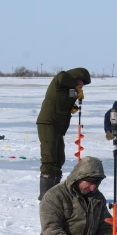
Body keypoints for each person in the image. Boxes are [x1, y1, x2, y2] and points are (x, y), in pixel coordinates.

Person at [36, 67, 91, 200]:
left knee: (59, 158)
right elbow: (61, 76)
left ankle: (54, 191)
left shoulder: (68, 90)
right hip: (48, 123)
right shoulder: (60, 81)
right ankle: (45, 195)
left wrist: (72, 105)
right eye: (81, 83)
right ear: (76, 78)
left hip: (58, 127)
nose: (81, 86)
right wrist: (75, 86)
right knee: (49, 157)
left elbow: (63, 103)